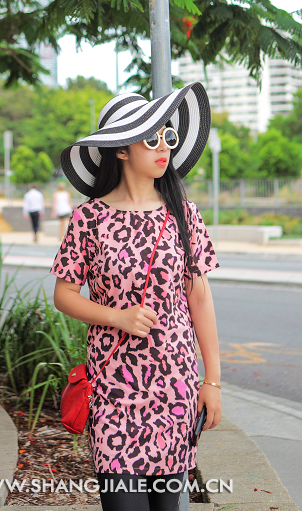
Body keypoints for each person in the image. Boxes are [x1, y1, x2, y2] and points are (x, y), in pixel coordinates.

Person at [50, 85, 221, 511]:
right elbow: (63, 295)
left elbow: (199, 299)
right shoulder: (88, 219)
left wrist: (212, 380)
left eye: (167, 137)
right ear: (121, 151)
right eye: (150, 138)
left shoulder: (185, 213)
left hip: (175, 384)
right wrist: (118, 317)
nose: (163, 147)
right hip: (113, 387)